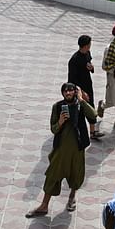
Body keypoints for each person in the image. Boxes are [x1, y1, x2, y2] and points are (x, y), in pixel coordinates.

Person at [26, 82, 97, 217]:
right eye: (66, 91)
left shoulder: (81, 106)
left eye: (71, 91)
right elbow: (53, 129)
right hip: (60, 150)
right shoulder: (58, 107)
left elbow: (93, 116)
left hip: (77, 149)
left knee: (76, 175)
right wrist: (60, 122)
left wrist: (82, 101)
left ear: (75, 92)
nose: (68, 93)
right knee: (52, 176)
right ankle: (44, 206)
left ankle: (72, 198)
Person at [68, 35, 104, 140]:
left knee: (90, 108)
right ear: (85, 45)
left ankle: (92, 132)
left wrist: (91, 68)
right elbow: (72, 80)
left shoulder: (87, 54)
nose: (90, 46)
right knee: (78, 112)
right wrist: (81, 92)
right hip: (79, 91)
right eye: (89, 44)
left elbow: (89, 64)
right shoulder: (74, 60)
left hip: (88, 86)